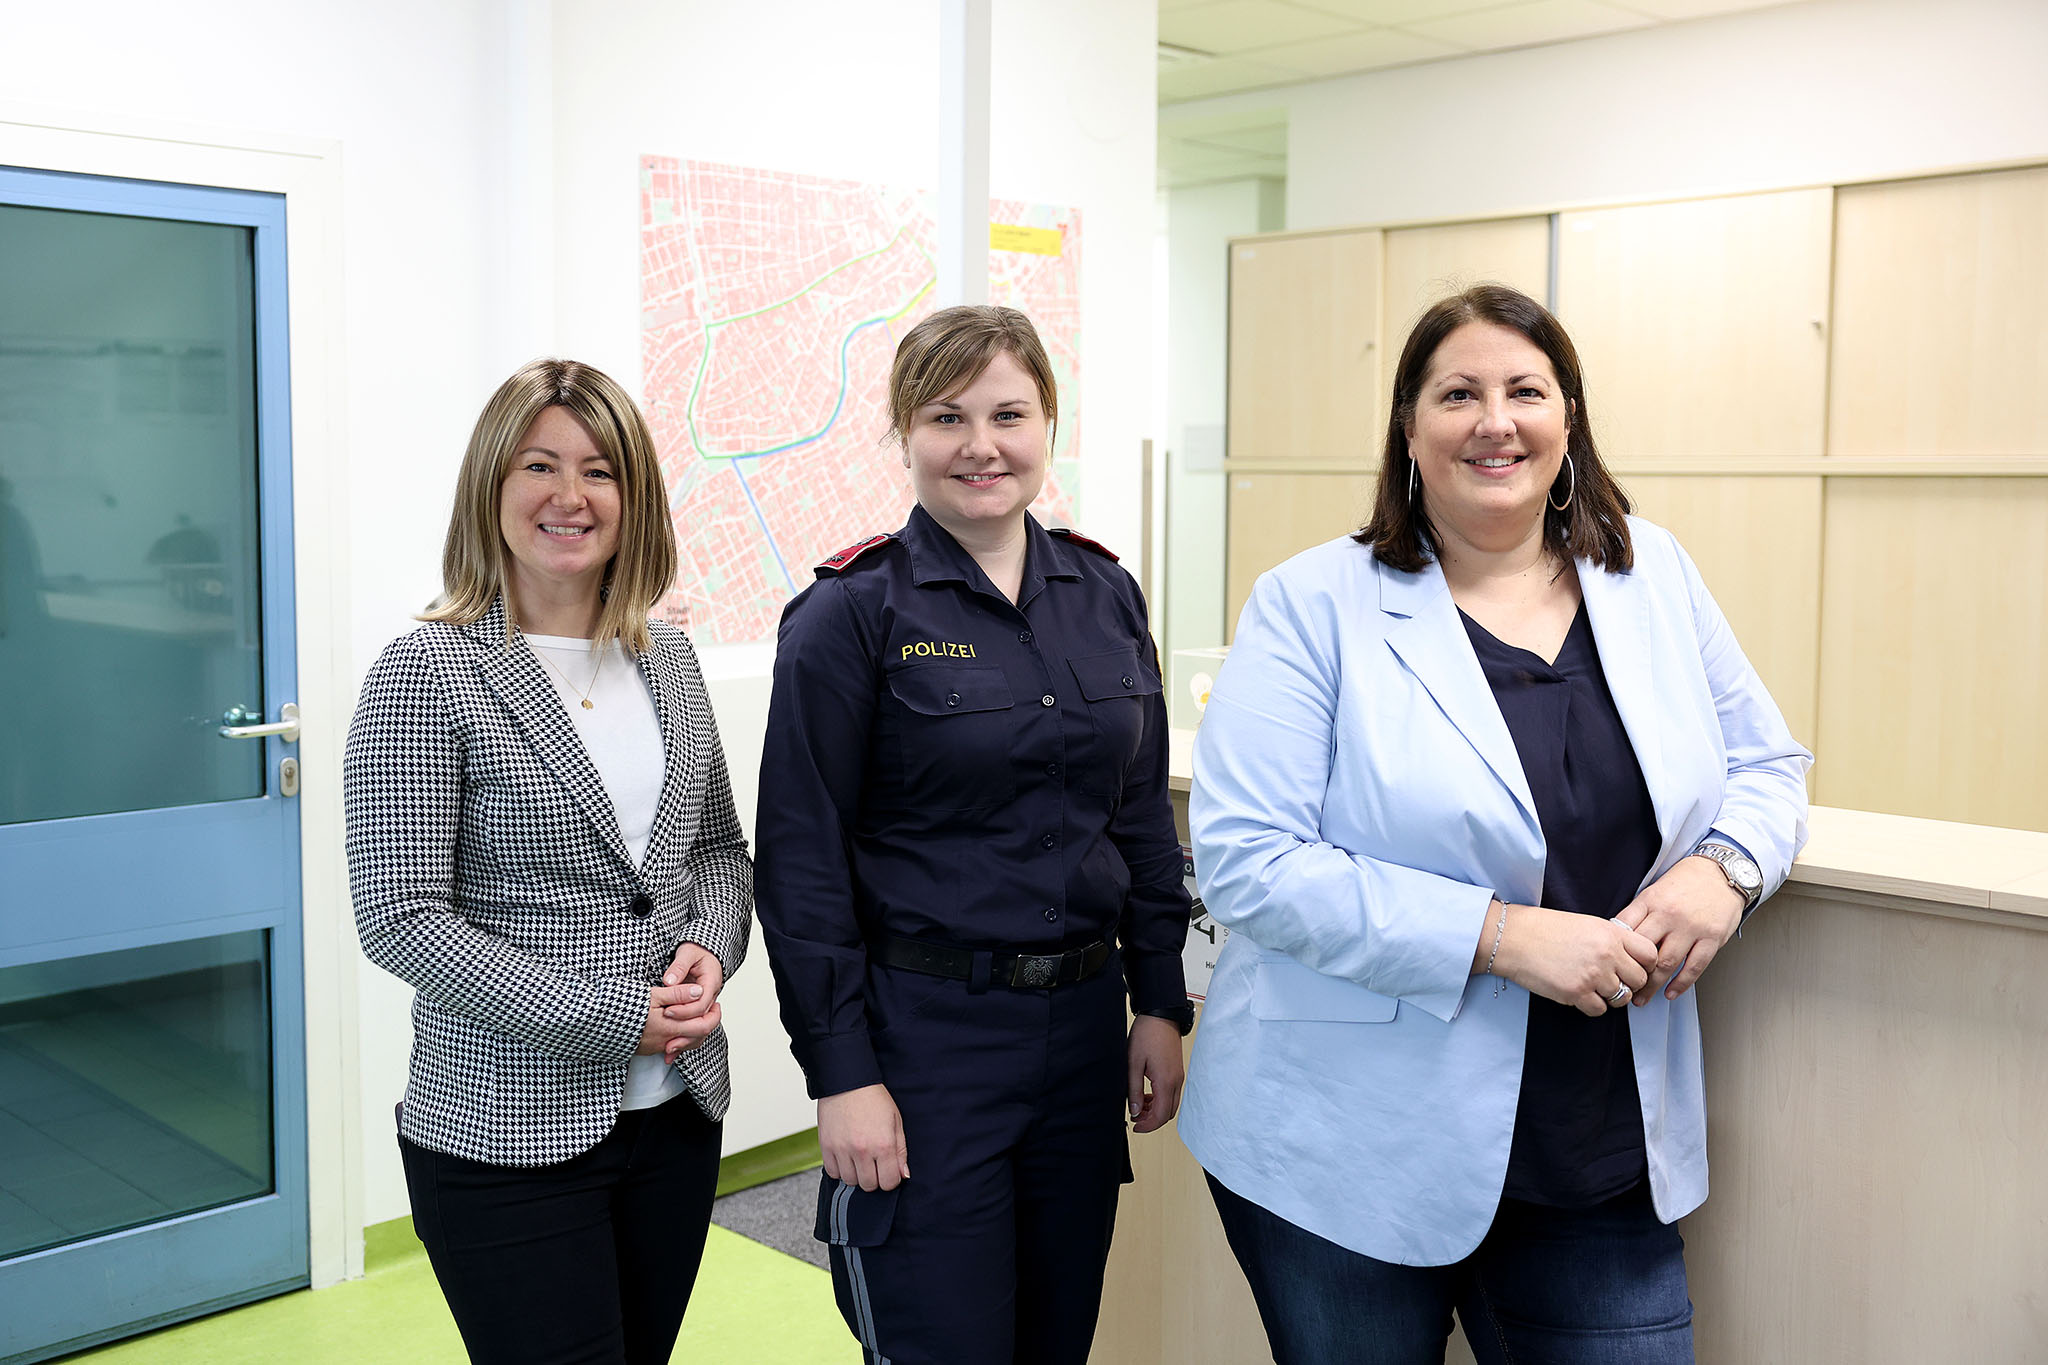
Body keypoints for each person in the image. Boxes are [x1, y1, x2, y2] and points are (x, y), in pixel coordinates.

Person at [1181, 284, 1811, 1364]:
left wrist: (1727, 869)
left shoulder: (1650, 573)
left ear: (1566, 419)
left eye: (1525, 390)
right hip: (1346, 1141)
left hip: (1595, 1134)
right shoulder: (1311, 603)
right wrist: (1500, 935)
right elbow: (1247, 861)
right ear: (1408, 428)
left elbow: (1767, 763)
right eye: (1456, 393)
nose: (1493, 420)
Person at [754, 304, 1194, 1365]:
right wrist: (839, 1074)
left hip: (1083, 1034)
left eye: (1008, 413)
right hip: (923, 1045)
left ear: (1048, 424)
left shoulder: (1105, 594)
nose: (980, 445)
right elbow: (801, 862)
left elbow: (1134, 815)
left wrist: (1160, 1000)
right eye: (946, 416)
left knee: (1055, 1340)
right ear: (903, 432)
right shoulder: (849, 614)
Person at [343, 359, 752, 1365]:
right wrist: (618, 1017)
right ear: (492, 486)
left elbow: (714, 852)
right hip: (501, 1132)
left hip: (674, 1118)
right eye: (539, 465)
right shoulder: (427, 671)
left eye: (600, 471)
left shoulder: (670, 658)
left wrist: (709, 945)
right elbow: (400, 918)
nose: (570, 497)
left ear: (634, 498)